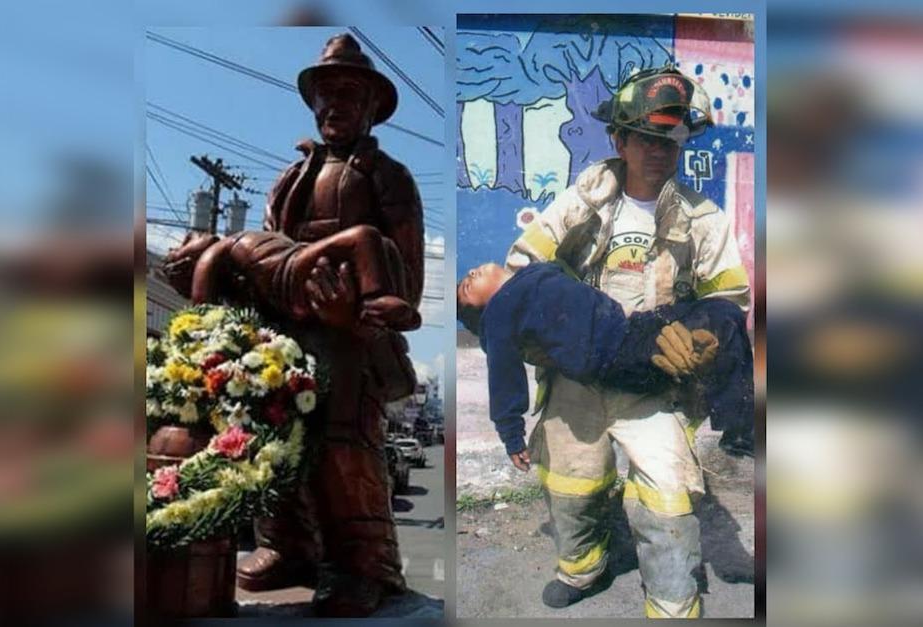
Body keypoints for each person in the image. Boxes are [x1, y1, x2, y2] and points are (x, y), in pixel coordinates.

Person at [162, 33, 423, 617]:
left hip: (351, 341)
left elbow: (406, 284)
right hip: (285, 335)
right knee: (271, 439)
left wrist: (350, 313)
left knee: (341, 449)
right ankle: (288, 547)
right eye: (325, 93)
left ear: (371, 105)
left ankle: (365, 568)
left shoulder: (390, 178)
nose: (335, 105)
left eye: (348, 93)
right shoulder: (289, 177)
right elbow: (265, 260)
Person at [500, 65, 752, 617]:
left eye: (673, 138)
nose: (662, 150)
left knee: (667, 493)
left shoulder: (703, 219)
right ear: (620, 139)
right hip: (578, 375)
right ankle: (582, 566)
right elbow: (522, 270)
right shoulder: (580, 201)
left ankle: (672, 604)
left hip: (651, 382)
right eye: (647, 137)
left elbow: (730, 299)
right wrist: (559, 337)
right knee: (573, 482)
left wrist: (704, 334)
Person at [455, 261, 751, 465]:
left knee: (725, 311)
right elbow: (504, 378)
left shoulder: (532, 273)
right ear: (481, 315)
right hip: (618, 357)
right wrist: (511, 435)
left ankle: (733, 419)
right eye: (467, 287)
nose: (470, 273)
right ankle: (741, 430)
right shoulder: (498, 316)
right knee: (720, 322)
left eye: (467, 276)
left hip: (632, 327)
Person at [188, 224, 421, 332]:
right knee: (365, 235)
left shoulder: (239, 245)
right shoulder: (229, 250)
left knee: (386, 246)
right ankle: (375, 298)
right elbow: (201, 303)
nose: (195, 235)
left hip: (294, 266)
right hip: (288, 275)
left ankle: (387, 310)